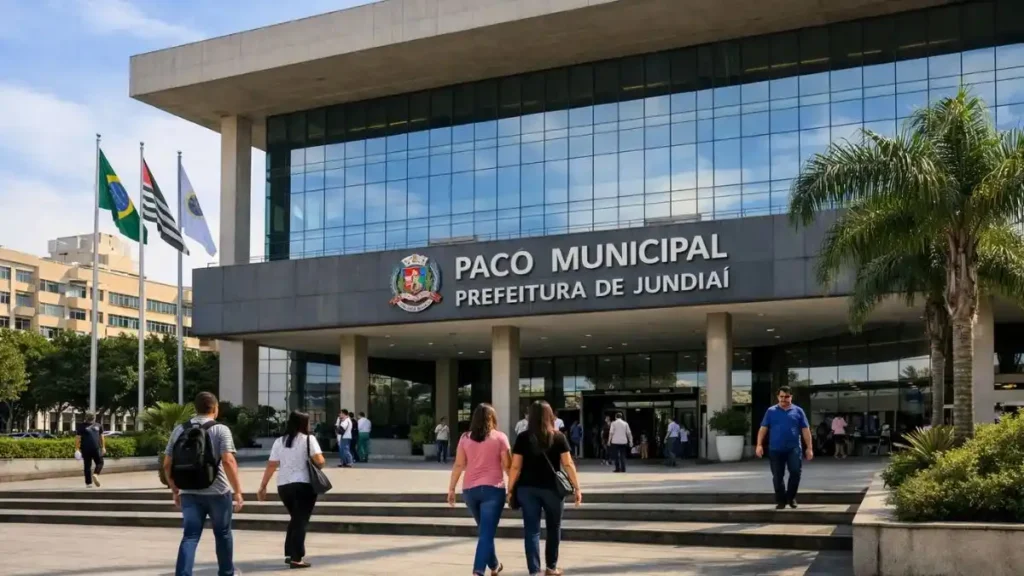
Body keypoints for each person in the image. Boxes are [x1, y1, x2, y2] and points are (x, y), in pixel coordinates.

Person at [164, 392, 244, 576]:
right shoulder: (221, 429)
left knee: (190, 536)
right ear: (215, 409)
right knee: (223, 534)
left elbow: (167, 463)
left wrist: (175, 489)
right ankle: (226, 572)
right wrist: (238, 491)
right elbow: (228, 461)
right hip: (218, 492)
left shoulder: (179, 429)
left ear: (195, 409)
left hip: (189, 492)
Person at [508, 400, 582, 576]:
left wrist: (510, 489)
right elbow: (568, 463)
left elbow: (516, 467)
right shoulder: (558, 437)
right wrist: (577, 488)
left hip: (527, 489)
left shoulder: (523, 437)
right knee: (554, 527)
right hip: (553, 490)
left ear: (531, 416)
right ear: (550, 416)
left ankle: (534, 571)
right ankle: (551, 567)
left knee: (531, 530)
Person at [257, 410, 326, 569]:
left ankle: (290, 553)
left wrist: (263, 485)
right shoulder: (309, 439)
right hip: (303, 485)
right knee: (301, 520)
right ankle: (296, 557)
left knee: (296, 518)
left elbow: (272, 465)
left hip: (284, 486)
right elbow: (320, 461)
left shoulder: (279, 441)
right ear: (303, 424)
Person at [448, 404, 510, 576]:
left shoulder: (464, 438)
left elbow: (459, 464)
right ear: (493, 419)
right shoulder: (500, 438)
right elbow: (508, 466)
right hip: (493, 490)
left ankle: (495, 565)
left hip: (470, 491)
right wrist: (512, 488)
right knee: (486, 534)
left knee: (485, 532)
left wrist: (451, 489)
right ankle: (478, 572)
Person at [755, 386, 813, 510]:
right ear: (778, 397)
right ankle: (781, 500)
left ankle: (791, 498)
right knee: (777, 475)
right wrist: (759, 445)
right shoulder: (771, 411)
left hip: (794, 448)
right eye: (781, 397)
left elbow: (805, 430)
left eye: (786, 397)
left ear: (791, 397)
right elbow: (763, 428)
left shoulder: (798, 411)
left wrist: (809, 448)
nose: (783, 399)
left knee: (796, 473)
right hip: (775, 449)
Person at [75, 412, 106, 487]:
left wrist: (77, 449)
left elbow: (77, 439)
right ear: (94, 418)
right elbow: (102, 438)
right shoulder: (98, 426)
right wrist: (103, 447)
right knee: (100, 462)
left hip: (85, 449)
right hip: (96, 448)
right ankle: (95, 474)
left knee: (87, 465)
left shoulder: (81, 426)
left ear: (86, 418)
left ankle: (88, 483)